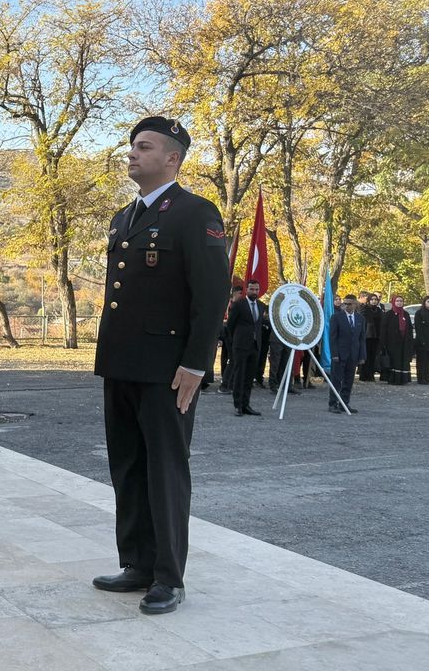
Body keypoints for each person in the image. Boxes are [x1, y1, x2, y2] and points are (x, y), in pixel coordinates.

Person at [92, 116, 229, 615]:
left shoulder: (195, 213)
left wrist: (196, 364)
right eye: (132, 145)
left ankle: (169, 577)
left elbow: (211, 297)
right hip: (121, 364)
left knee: (166, 471)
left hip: (168, 370)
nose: (132, 152)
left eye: (144, 146)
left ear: (172, 158)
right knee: (127, 468)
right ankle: (138, 563)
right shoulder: (122, 217)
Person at [225, 279, 265, 416]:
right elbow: (230, 326)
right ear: (246, 290)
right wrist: (232, 344)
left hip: (255, 346)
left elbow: (258, 325)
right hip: (240, 346)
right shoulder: (239, 305)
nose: (254, 292)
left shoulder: (261, 306)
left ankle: (246, 404)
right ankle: (238, 405)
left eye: (256, 289)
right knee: (239, 376)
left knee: (249, 377)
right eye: (252, 289)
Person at [327, 293, 366, 413]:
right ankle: (333, 404)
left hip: (353, 354)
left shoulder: (360, 318)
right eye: (345, 304)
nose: (346, 306)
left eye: (349, 304)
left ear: (355, 304)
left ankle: (344, 403)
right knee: (336, 380)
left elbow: (361, 338)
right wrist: (334, 354)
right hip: (339, 354)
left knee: (348, 380)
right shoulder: (336, 317)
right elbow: (332, 338)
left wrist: (362, 355)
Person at [379, 295, 414, 385]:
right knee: (394, 360)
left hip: (404, 341)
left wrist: (410, 340)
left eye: (401, 301)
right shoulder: (389, 314)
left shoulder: (405, 314)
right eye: (397, 301)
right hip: (392, 342)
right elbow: (384, 329)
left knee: (403, 360)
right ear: (393, 302)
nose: (399, 303)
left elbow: (409, 328)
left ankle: (402, 379)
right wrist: (383, 342)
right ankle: (393, 379)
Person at [216, 285, 243, 395]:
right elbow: (230, 323)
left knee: (233, 361)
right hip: (230, 336)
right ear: (235, 293)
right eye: (240, 293)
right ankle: (225, 384)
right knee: (232, 361)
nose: (242, 295)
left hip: (233, 337)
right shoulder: (233, 305)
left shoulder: (235, 304)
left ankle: (230, 383)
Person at [359, 293, 383, 382]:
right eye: (372, 299)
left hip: (376, 336)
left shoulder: (379, 310)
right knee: (366, 355)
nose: (374, 301)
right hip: (367, 336)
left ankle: (370, 374)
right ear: (369, 301)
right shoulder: (365, 309)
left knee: (373, 356)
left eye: (375, 300)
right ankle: (363, 375)